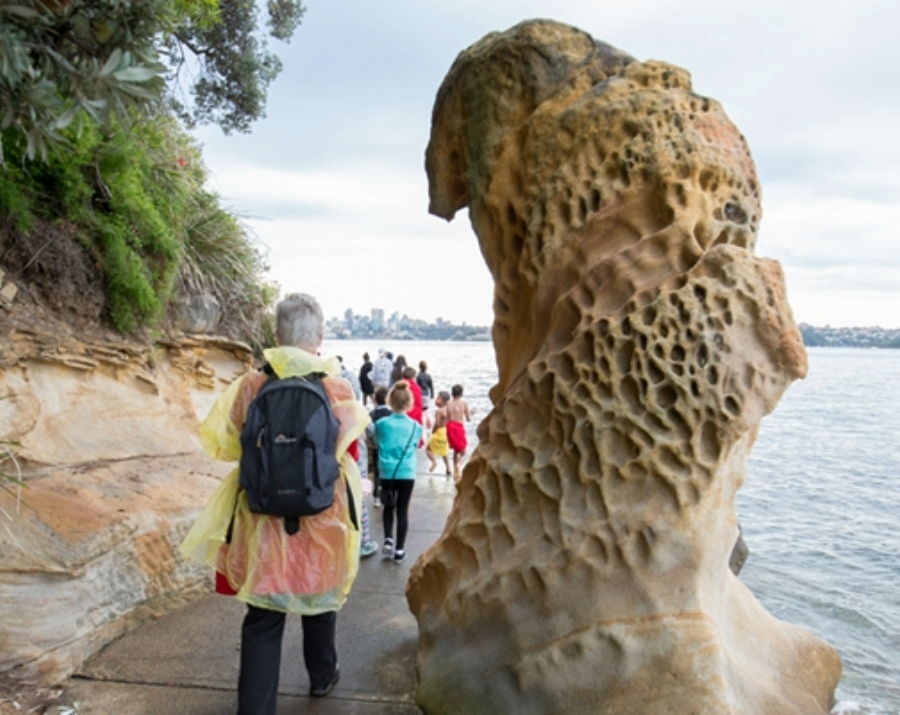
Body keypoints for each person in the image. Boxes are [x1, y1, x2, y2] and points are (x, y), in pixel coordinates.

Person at [179, 293, 369, 711]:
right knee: (320, 600)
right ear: (319, 337)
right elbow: (349, 455)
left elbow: (229, 444)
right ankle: (322, 676)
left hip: (263, 520)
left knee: (263, 619)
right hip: (321, 519)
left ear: (277, 336)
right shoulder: (337, 388)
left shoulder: (250, 386)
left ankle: (255, 708)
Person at [374, 382, 423, 564]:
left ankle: (388, 538)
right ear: (409, 403)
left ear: (390, 401)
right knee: (403, 510)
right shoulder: (416, 426)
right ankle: (400, 550)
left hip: (387, 472)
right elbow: (416, 446)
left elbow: (377, 441)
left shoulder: (381, 424)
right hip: (407, 472)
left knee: (388, 506)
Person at [366, 386, 392, 508]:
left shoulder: (372, 414)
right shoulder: (392, 414)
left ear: (375, 399)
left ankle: (376, 496)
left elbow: (369, 430)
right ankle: (387, 493)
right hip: (389, 446)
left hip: (376, 446)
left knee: (376, 471)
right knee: (388, 470)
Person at [446, 383, 472, 481]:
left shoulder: (448, 404)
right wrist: (471, 413)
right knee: (464, 451)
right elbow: (468, 419)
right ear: (461, 393)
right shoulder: (464, 404)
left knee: (456, 450)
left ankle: (455, 472)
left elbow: (447, 417)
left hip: (450, 426)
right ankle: (459, 464)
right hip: (458, 426)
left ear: (452, 393)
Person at [426, 390, 451, 476]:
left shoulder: (439, 411)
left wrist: (433, 431)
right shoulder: (449, 410)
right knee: (445, 452)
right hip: (446, 432)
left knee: (428, 449)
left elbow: (437, 423)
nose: (436, 400)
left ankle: (434, 462)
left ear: (443, 401)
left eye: (438, 398)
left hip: (439, 432)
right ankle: (448, 468)